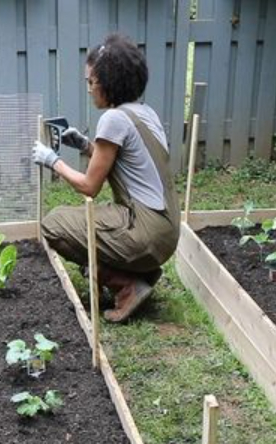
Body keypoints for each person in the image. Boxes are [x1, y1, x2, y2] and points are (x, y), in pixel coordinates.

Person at [32, 33, 179, 323]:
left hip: (145, 229)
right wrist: (87, 146)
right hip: (168, 229)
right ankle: (141, 270)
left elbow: (90, 187)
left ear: (109, 82)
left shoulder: (113, 119)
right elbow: (127, 165)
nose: (89, 89)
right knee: (79, 224)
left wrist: (53, 161)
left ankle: (126, 285)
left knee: (54, 225)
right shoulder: (145, 113)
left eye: (91, 81)